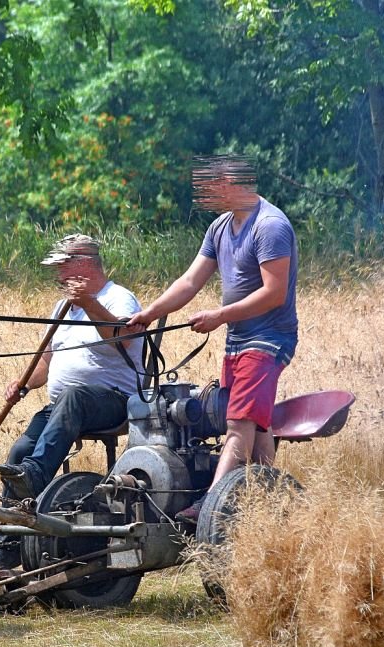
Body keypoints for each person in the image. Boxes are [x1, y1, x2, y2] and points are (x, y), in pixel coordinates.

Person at [126, 155, 298, 522]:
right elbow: (190, 282)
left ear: (231, 184)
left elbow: (274, 293)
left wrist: (219, 316)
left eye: (211, 188)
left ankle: (212, 506)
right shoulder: (220, 228)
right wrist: (149, 314)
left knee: (238, 424)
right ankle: (268, 503)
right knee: (257, 423)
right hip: (239, 340)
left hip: (268, 340)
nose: (207, 196)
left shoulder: (270, 226)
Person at [0, 233, 142, 580]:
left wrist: (90, 304)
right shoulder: (63, 308)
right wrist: (23, 384)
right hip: (67, 406)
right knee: (20, 450)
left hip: (113, 401)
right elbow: (47, 363)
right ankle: (4, 555)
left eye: (63, 267)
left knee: (73, 397)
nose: (58, 276)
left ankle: (36, 476)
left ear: (83, 263)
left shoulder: (120, 298)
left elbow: (123, 338)